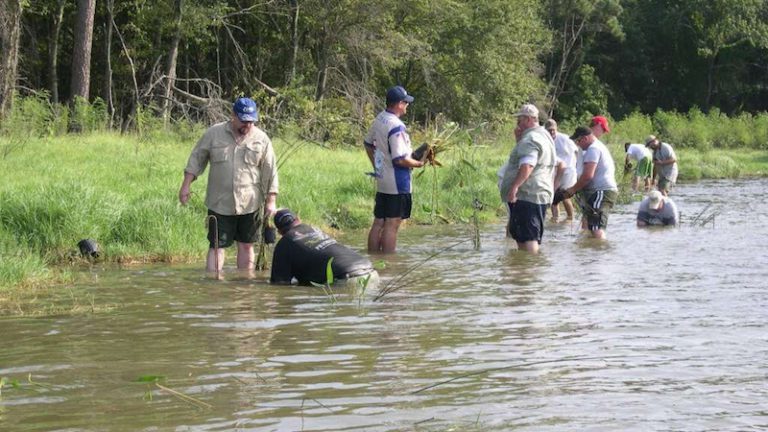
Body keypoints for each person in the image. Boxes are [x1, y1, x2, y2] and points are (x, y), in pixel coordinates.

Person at [179, 97, 278, 273]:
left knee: (247, 246)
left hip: (251, 203)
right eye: (243, 120)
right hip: (219, 203)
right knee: (217, 246)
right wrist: (186, 185)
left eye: (250, 121)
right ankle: (215, 287)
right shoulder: (214, 133)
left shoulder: (262, 139)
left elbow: (270, 171)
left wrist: (271, 201)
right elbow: (197, 159)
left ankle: (244, 285)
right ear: (233, 115)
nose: (247, 125)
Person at [363, 85, 425, 253]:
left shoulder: (380, 119)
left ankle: (373, 258)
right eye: (406, 102)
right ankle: (389, 264)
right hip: (398, 183)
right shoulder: (396, 126)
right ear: (398, 104)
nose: (407, 105)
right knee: (392, 224)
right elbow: (400, 159)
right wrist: (419, 164)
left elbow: (368, 144)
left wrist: (377, 167)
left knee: (378, 222)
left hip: (383, 179)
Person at [499, 104, 557, 253]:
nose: (517, 123)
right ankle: (527, 271)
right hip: (539, 193)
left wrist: (514, 187)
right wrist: (519, 139)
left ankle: (528, 272)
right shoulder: (544, 135)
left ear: (529, 119)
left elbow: (528, 165)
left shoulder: (530, 138)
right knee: (528, 237)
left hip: (528, 194)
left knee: (528, 238)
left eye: (520, 119)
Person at [270, 209, 376, 285]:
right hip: (371, 271)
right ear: (298, 219)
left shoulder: (283, 245)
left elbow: (280, 285)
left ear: (279, 232)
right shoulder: (315, 229)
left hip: (346, 278)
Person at [563, 126, 619, 239]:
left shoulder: (593, 149)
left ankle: (599, 253)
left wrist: (572, 190)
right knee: (587, 226)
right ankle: (587, 254)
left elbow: (588, 176)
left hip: (601, 191)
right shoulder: (596, 147)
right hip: (599, 191)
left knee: (596, 228)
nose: (578, 144)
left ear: (585, 138)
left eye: (578, 141)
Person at [545, 119, 579, 222]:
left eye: (553, 130)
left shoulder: (564, 139)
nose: (551, 132)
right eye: (549, 130)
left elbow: (577, 151)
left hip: (568, 171)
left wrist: (576, 166)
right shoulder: (545, 139)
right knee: (553, 196)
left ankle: (570, 218)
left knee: (565, 196)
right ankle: (555, 219)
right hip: (554, 171)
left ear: (556, 129)